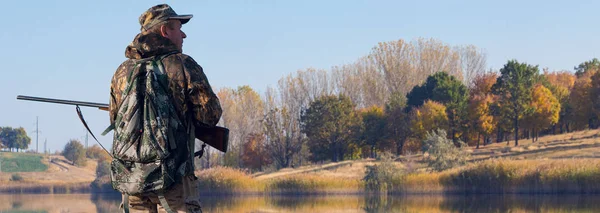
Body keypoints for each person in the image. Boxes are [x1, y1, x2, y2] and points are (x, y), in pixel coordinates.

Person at [108, 4, 222, 213]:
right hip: (174, 181)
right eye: (179, 27)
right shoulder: (183, 65)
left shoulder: (122, 72)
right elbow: (210, 115)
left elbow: (114, 119)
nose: (184, 34)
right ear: (164, 31)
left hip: (133, 182)